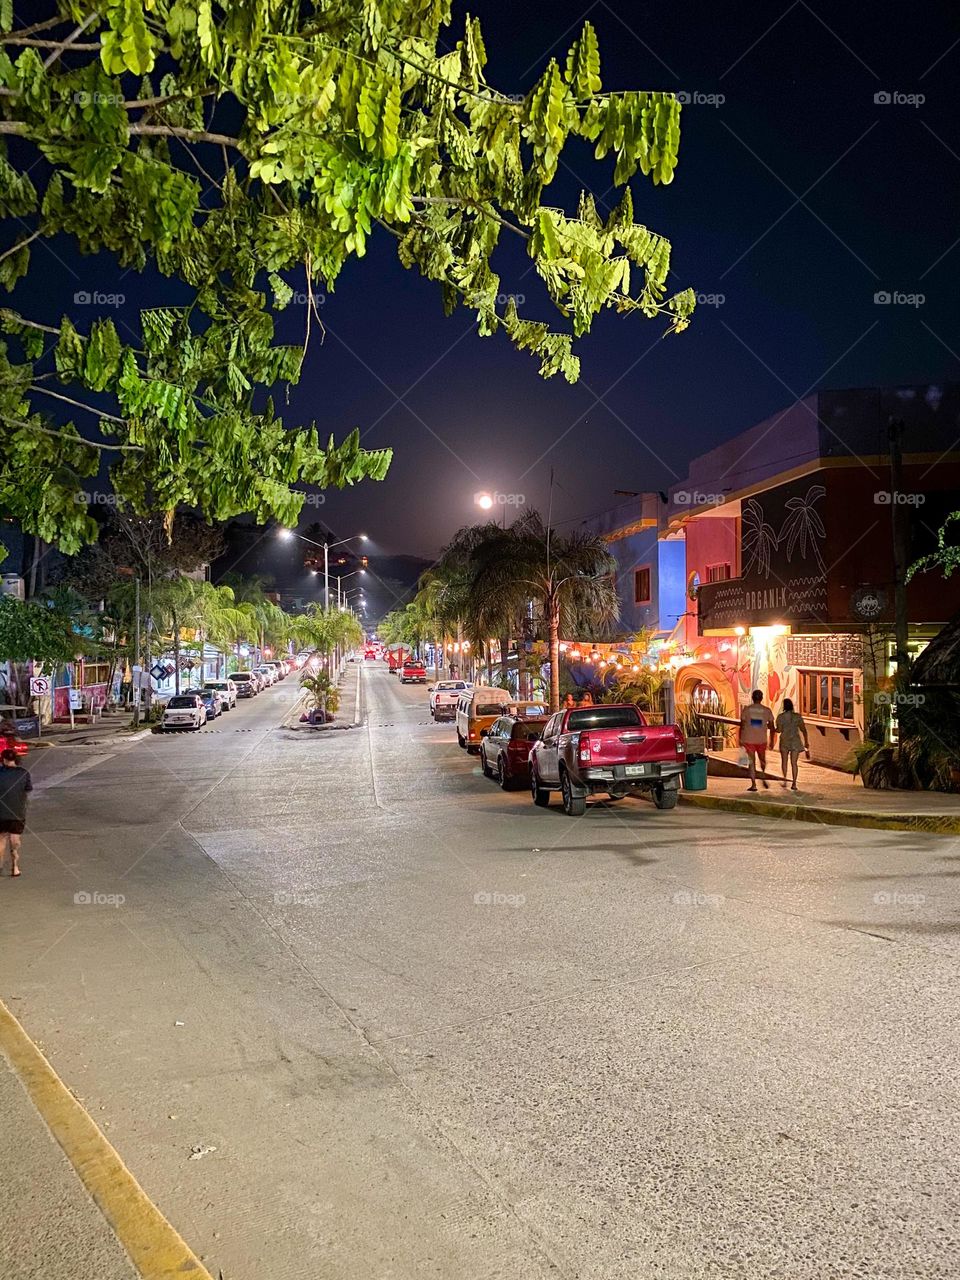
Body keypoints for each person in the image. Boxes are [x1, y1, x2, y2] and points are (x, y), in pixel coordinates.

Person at [0, 747, 32, 877]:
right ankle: (15, 867)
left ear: (3, 760)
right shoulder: (24, 773)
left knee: (1, 839)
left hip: (0, 812)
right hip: (17, 812)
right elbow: (28, 789)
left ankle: (0, 865)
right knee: (15, 839)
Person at [739, 689, 775, 791]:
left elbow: (742, 725)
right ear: (762, 698)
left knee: (752, 762)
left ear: (752, 698)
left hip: (748, 739)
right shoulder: (767, 710)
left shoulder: (747, 709)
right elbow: (772, 727)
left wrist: (740, 738)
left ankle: (753, 784)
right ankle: (763, 774)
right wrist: (772, 740)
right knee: (762, 760)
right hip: (761, 739)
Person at [775, 697, 810, 791]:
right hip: (795, 741)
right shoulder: (797, 716)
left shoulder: (780, 717)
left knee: (784, 762)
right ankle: (794, 783)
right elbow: (803, 730)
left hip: (785, 741)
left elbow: (779, 730)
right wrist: (806, 742)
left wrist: (771, 728)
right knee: (794, 763)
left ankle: (785, 780)